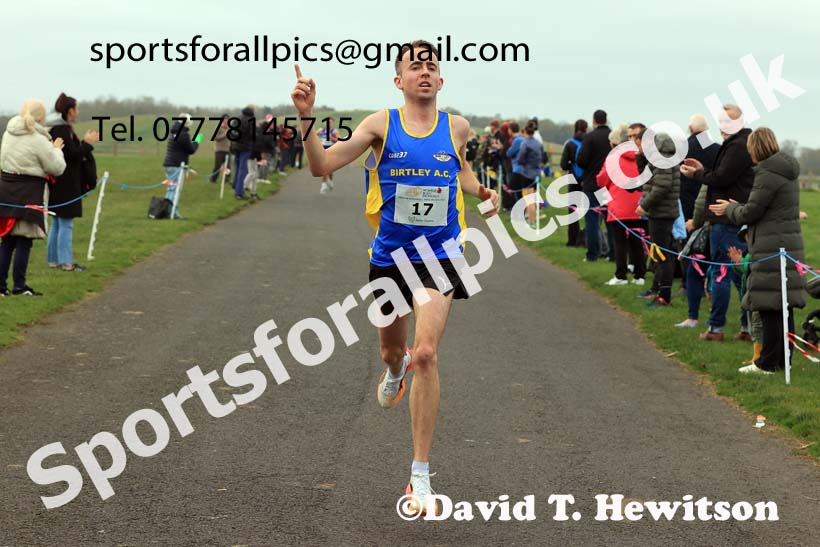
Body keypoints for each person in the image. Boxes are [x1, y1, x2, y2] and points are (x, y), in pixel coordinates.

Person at [290, 39, 499, 515]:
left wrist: (483, 193)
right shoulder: (380, 124)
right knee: (393, 349)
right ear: (398, 80)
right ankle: (393, 367)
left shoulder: (458, 127)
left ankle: (419, 475)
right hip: (390, 258)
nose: (424, 71)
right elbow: (321, 165)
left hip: (440, 255)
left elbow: (460, 172)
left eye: (431, 65)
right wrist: (306, 116)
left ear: (441, 80)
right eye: (414, 66)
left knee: (427, 352)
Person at [709, 127, 805, 374]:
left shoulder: (767, 172)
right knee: (783, 307)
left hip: (770, 245)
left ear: (756, 148)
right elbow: (760, 206)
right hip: (785, 243)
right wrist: (739, 206)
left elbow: (752, 212)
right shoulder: (785, 170)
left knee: (770, 305)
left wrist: (729, 210)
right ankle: (783, 360)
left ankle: (768, 363)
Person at [680, 104, 753, 341]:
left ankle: (716, 328)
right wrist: (705, 170)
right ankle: (746, 327)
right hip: (736, 217)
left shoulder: (737, 146)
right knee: (741, 274)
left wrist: (697, 175)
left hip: (726, 218)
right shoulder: (739, 144)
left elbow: (722, 178)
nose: (722, 127)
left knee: (722, 273)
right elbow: (723, 173)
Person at [0, 99, 66, 296]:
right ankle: (19, 286)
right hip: (29, 191)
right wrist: (56, 150)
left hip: (6, 188)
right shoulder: (37, 139)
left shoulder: (8, 133)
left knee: (8, 239)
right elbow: (56, 167)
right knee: (24, 240)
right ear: (41, 117)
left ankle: (1, 286)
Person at [47, 93, 99, 272]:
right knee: (65, 223)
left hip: (59, 183)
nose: (78, 112)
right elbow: (73, 155)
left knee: (58, 222)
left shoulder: (60, 129)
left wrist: (83, 142)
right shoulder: (61, 130)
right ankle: (66, 262)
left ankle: (53, 260)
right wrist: (87, 143)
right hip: (66, 183)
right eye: (76, 109)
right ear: (70, 111)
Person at [635, 127, 681, 306]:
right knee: (659, 253)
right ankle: (658, 290)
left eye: (640, 144)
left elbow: (662, 185)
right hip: (659, 211)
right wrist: (640, 156)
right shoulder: (655, 157)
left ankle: (664, 295)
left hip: (662, 212)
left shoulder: (662, 157)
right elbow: (644, 180)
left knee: (662, 254)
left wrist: (644, 205)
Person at [596, 124, 645, 285]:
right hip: (638, 204)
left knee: (620, 243)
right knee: (637, 241)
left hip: (618, 205)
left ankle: (621, 275)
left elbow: (601, 180)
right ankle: (640, 275)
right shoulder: (640, 155)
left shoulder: (612, 159)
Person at [576, 110, 612, 262]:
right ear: (606, 120)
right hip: (608, 184)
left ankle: (593, 254)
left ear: (594, 121)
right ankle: (613, 253)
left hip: (592, 183)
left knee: (591, 219)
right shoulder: (612, 136)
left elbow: (581, 160)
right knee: (610, 219)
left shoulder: (590, 137)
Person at [162, 114, 199, 217]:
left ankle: (167, 210)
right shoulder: (183, 134)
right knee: (176, 189)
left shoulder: (174, 131)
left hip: (169, 163)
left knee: (171, 188)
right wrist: (196, 141)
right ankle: (174, 212)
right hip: (176, 165)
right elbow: (191, 150)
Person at [560, 119, 588, 248]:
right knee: (591, 211)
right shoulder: (590, 142)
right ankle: (589, 239)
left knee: (573, 212)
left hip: (574, 179)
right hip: (588, 180)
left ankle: (573, 240)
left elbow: (563, 165)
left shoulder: (570, 144)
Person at [510, 120, 543, 226]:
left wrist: (522, 162)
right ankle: (533, 220)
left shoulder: (525, 143)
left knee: (529, 199)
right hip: (537, 173)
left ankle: (531, 221)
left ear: (526, 132)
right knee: (533, 197)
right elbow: (542, 156)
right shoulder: (538, 143)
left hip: (527, 173)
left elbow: (520, 159)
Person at [230, 105, 255, 199]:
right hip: (245, 147)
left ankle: (236, 186)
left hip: (235, 146)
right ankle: (239, 192)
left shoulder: (237, 118)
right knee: (243, 169)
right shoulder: (251, 119)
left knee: (237, 167)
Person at [317, 118, 339, 194]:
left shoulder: (334, 131)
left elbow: (338, 141)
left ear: (333, 123)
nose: (329, 124)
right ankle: (323, 185)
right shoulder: (320, 130)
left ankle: (330, 180)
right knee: (324, 167)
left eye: (330, 122)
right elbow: (313, 138)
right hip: (322, 150)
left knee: (330, 169)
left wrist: (331, 137)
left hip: (331, 150)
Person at [210, 114, 230, 184]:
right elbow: (216, 138)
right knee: (217, 166)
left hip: (227, 149)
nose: (226, 120)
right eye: (225, 119)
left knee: (228, 166)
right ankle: (213, 179)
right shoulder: (218, 128)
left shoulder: (229, 128)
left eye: (227, 119)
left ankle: (226, 180)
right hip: (219, 149)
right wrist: (225, 134)